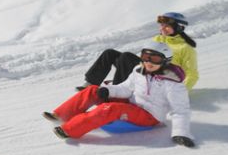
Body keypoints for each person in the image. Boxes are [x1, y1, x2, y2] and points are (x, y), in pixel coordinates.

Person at [45, 43, 195, 147]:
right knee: (94, 90)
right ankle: (62, 115)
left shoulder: (173, 83)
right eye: (145, 57)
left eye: (154, 59)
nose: (148, 62)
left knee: (110, 108)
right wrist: (108, 91)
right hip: (133, 103)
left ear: (165, 61)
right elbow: (125, 88)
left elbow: (180, 110)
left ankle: (69, 130)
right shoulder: (139, 70)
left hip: (150, 116)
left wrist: (180, 133)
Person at [77, 11, 199, 91]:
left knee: (126, 57)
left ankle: (116, 91)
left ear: (179, 28)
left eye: (167, 26)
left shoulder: (185, 48)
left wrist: (179, 93)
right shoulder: (158, 38)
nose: (162, 28)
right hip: (147, 70)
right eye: (161, 25)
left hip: (158, 79)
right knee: (110, 53)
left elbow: (192, 75)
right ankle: (90, 84)